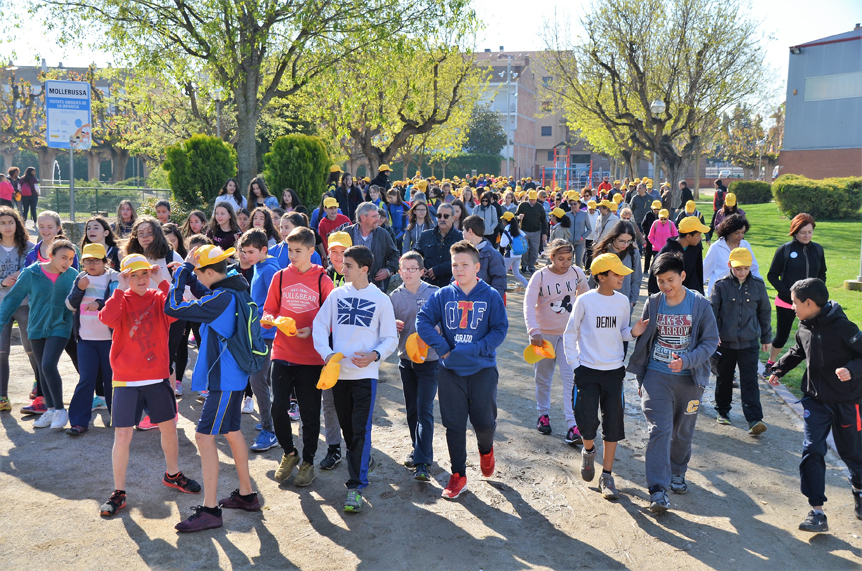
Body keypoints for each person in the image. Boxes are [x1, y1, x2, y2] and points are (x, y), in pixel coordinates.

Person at [97, 253, 201, 518]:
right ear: (125, 277)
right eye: (135, 275)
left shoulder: (158, 297)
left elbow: (178, 309)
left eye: (144, 273)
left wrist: (161, 280)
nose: (141, 279)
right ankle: (118, 492)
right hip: (125, 379)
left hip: (156, 377)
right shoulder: (120, 298)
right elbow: (107, 319)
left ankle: (173, 474)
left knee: (169, 429)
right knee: (122, 436)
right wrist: (119, 288)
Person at [165, 245, 262, 531]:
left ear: (210, 272)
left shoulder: (222, 298)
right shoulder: (233, 288)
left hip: (225, 381)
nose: (197, 276)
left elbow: (173, 307)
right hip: (234, 378)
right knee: (231, 432)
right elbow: (206, 294)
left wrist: (182, 274)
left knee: (204, 437)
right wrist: (191, 276)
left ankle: (210, 511)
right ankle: (247, 494)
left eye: (199, 272)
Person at [626, 252, 719, 514]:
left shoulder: (699, 304)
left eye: (670, 280)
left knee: (682, 432)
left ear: (683, 276)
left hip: (689, 380)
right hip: (656, 376)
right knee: (660, 430)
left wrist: (687, 360)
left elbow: (711, 341)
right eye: (660, 281)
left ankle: (678, 471)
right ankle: (658, 490)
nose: (666, 286)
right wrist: (635, 333)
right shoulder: (654, 303)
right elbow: (645, 337)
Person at [767, 278, 862, 533]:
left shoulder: (843, 327)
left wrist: (852, 371)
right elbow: (799, 349)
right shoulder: (805, 325)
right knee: (812, 450)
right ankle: (817, 511)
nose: (791, 307)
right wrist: (779, 369)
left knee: (853, 453)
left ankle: (859, 491)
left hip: (847, 401)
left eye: (795, 302)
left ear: (809, 303)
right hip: (816, 401)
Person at [416, 240, 508, 500]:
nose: (458, 269)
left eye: (464, 264)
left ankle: (486, 449)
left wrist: (478, 348)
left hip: (482, 370)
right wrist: (442, 348)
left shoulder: (490, 295)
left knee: (484, 422)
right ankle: (458, 475)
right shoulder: (443, 294)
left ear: (477, 267)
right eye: (455, 264)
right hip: (450, 371)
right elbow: (422, 320)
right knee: (453, 425)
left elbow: (500, 329)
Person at [312, 245, 398, 512]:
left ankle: (356, 486)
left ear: (364, 269)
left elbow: (390, 338)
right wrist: (327, 355)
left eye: (348, 265)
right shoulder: (337, 295)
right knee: (349, 429)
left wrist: (375, 355)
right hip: (338, 375)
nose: (342, 268)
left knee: (360, 429)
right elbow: (319, 325)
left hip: (365, 376)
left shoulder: (381, 299)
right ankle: (360, 461)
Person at [564, 253, 648, 500]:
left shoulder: (622, 302)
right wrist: (575, 365)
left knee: (613, 424)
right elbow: (570, 333)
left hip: (613, 372)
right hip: (587, 371)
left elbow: (620, 332)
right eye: (616, 273)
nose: (622, 277)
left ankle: (607, 475)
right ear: (601, 276)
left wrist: (633, 331)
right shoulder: (585, 301)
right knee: (586, 421)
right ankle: (588, 451)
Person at [263, 227, 335, 485]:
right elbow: (268, 310)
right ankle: (289, 452)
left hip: (311, 358)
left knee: (309, 412)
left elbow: (332, 319)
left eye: (298, 251)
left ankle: (308, 462)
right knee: (277, 405)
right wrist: (271, 320)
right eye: (290, 250)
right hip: (282, 352)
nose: (292, 255)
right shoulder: (280, 277)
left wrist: (313, 330)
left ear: (311, 251)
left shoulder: (322, 281)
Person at [2, 239, 77, 427]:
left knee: (49, 364)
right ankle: (50, 410)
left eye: (70, 258)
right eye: (63, 258)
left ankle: (60, 410)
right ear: (50, 255)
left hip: (61, 326)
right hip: (36, 327)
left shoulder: (72, 275)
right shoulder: (31, 273)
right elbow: (12, 299)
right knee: (42, 369)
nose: (67, 263)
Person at [524, 239, 589, 444]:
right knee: (543, 377)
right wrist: (534, 331)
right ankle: (543, 414)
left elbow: (586, 298)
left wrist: (583, 326)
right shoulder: (540, 276)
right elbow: (528, 304)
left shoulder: (577, 273)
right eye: (561, 259)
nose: (566, 263)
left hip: (569, 336)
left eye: (569, 259)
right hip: (543, 338)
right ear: (551, 257)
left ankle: (573, 425)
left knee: (571, 379)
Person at [710, 247, 772, 434]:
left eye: (745, 268)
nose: (742, 272)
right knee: (724, 378)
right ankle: (723, 410)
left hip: (750, 342)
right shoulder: (720, 286)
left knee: (750, 380)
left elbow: (764, 312)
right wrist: (714, 335)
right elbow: (712, 311)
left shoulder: (758, 286)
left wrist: (766, 337)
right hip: (725, 343)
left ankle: (754, 419)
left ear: (750, 266)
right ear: (730, 266)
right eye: (738, 268)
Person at [390, 251, 440, 481]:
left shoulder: (435, 294)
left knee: (424, 409)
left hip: (429, 362)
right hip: (405, 361)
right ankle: (417, 447)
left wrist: (437, 329)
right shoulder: (394, 297)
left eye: (413, 268)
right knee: (411, 410)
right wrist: (393, 325)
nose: (408, 273)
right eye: (404, 269)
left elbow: (445, 323)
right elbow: (384, 327)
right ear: (399, 271)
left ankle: (423, 463)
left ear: (422, 271)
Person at [64, 243, 120, 435]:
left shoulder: (114, 277)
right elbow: (70, 305)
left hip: (110, 339)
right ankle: (79, 422)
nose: (91, 264)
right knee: (86, 379)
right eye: (87, 260)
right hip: (85, 339)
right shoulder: (80, 278)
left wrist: (100, 303)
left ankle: (118, 418)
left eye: (96, 260)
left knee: (112, 379)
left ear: (105, 261)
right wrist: (79, 290)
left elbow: (119, 301)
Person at [236, 229, 282, 452]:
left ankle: (269, 431)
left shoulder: (270, 269)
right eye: (244, 252)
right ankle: (271, 420)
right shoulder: (260, 265)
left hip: (267, 335)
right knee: (265, 380)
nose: (246, 256)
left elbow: (278, 301)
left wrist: (261, 319)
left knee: (257, 381)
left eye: (251, 252)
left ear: (264, 249)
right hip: (259, 333)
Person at [765, 213, 827, 375]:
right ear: (794, 231)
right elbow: (772, 275)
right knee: (782, 336)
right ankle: (771, 363)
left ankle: (815, 367)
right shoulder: (785, 250)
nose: (807, 236)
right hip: (786, 301)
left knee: (814, 336)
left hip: (811, 303)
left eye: (810, 232)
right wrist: (786, 293)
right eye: (803, 232)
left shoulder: (818, 250)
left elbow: (822, 274)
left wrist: (818, 292)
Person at [0, 207, 36, 413]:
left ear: (17, 225)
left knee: (31, 349)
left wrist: (23, 275)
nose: (7, 226)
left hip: (25, 305)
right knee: (1, 352)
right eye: (3, 223)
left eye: (10, 222)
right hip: (2, 307)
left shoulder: (29, 248)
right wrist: (3, 282)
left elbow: (38, 272)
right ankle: (2, 396)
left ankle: (39, 388)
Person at [590, 222, 643, 321]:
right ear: (614, 237)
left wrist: (632, 302)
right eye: (622, 241)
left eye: (629, 241)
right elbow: (592, 279)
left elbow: (637, 279)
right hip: (602, 304)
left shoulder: (633, 253)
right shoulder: (603, 252)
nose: (625, 245)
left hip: (624, 305)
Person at [343, 202, 399, 292]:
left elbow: (394, 254)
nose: (378, 219)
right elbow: (337, 255)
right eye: (374, 216)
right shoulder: (347, 233)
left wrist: (388, 270)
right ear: (363, 218)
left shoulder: (383, 234)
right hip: (350, 286)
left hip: (375, 286)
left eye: (378, 216)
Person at [647, 216, 708, 295]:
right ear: (688, 236)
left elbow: (699, 271)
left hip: (692, 297)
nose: (700, 238)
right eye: (698, 235)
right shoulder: (667, 251)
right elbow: (654, 277)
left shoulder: (696, 247)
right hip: (672, 299)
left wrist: (701, 293)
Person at [703, 214, 760, 296]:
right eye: (737, 233)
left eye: (743, 232)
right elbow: (704, 272)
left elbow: (754, 269)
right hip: (719, 296)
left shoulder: (746, 245)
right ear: (728, 231)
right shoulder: (716, 248)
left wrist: (760, 285)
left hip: (741, 296)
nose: (740, 236)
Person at [415, 203, 463, 288]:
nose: (442, 219)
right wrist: (420, 266)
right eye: (439, 216)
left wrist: (439, 270)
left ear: (453, 218)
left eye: (446, 216)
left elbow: (462, 261)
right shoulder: (425, 235)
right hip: (427, 285)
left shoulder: (461, 237)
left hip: (450, 286)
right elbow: (415, 254)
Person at [461, 215, 507, 299]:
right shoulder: (462, 252)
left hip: (483, 304)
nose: (462, 233)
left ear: (470, 231)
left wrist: (492, 302)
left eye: (463, 230)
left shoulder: (493, 255)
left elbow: (499, 282)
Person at [515, 190, 549, 274]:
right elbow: (514, 216)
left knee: (534, 250)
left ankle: (531, 266)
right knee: (525, 250)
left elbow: (544, 221)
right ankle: (524, 265)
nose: (533, 201)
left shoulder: (540, 207)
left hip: (536, 231)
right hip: (524, 231)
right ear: (528, 198)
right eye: (531, 199)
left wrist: (545, 234)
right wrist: (519, 217)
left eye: (534, 199)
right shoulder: (523, 205)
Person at [499, 212, 528, 288]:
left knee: (502, 273)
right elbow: (525, 236)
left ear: (506, 221)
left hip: (510, 254)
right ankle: (528, 286)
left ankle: (502, 288)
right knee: (516, 274)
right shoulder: (516, 228)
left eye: (503, 220)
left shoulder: (507, 229)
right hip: (518, 254)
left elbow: (502, 244)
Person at [564, 193, 591, 268]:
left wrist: (582, 237)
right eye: (571, 204)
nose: (573, 206)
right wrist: (566, 237)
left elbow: (589, 229)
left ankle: (580, 277)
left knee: (579, 263)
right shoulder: (567, 215)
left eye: (575, 204)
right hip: (569, 242)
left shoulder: (584, 214)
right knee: (569, 262)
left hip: (580, 242)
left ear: (579, 204)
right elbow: (564, 228)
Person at [641, 200, 662, 272]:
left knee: (657, 254)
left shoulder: (662, 216)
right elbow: (643, 224)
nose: (656, 211)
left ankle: (655, 269)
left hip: (658, 238)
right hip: (649, 237)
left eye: (658, 209)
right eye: (655, 209)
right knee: (648, 253)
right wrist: (647, 232)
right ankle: (646, 269)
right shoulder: (648, 214)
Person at [583, 200, 600, 270]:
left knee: (596, 253)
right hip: (588, 237)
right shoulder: (585, 214)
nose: (592, 211)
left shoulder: (598, 213)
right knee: (589, 253)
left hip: (596, 237)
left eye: (593, 209)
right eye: (590, 209)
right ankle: (587, 268)